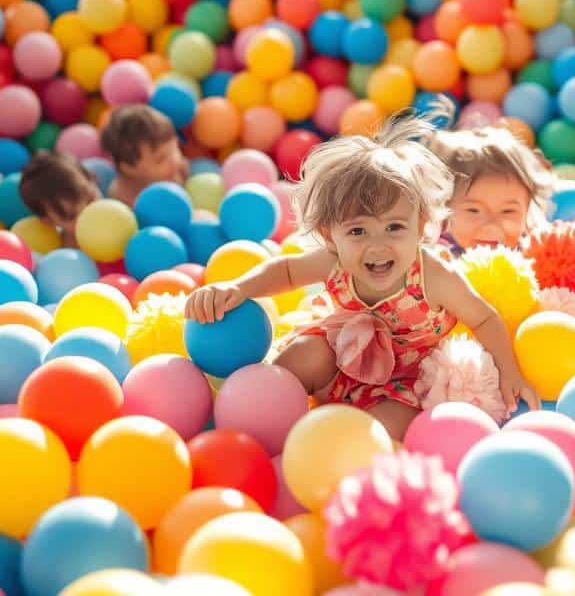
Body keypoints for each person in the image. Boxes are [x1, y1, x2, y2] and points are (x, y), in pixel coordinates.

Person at [185, 113, 538, 439]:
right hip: (342, 359)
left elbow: (484, 317)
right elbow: (287, 270)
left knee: (388, 426)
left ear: (421, 227)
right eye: (357, 231)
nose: (377, 245)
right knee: (306, 353)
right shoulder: (334, 261)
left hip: (404, 382)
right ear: (329, 235)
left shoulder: (432, 274)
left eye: (394, 227)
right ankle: (264, 413)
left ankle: (337, 441)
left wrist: (510, 371)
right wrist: (239, 287)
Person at [428, 123, 556, 254]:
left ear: (527, 210)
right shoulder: (434, 257)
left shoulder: (529, 253)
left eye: (508, 211)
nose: (492, 226)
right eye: (473, 210)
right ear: (443, 209)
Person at [100, 104, 190, 206]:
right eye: (160, 160)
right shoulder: (125, 198)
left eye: (175, 149)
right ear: (129, 168)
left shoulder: (178, 169)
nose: (174, 161)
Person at [18, 151, 100, 248]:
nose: (87, 213)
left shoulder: (119, 207)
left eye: (91, 200)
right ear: (49, 221)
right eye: (72, 216)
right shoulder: (68, 251)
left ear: (91, 179)